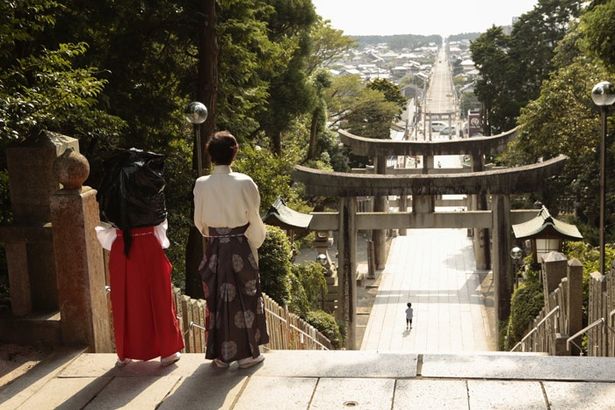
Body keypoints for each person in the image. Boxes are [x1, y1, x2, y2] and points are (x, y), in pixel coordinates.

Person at [96, 149, 184, 368]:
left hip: (120, 244)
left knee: (123, 299)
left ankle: (124, 353)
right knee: (159, 297)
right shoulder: (147, 176)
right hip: (147, 241)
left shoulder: (113, 175)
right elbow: (159, 221)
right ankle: (168, 351)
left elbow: (106, 218)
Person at [193, 131, 269, 369]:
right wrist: (254, 241)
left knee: (215, 297)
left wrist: (216, 234)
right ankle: (247, 354)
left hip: (215, 245)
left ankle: (219, 354)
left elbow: (199, 221)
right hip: (239, 245)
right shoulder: (245, 182)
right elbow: (254, 218)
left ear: (210, 154)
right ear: (234, 152)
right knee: (246, 297)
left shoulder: (201, 183)